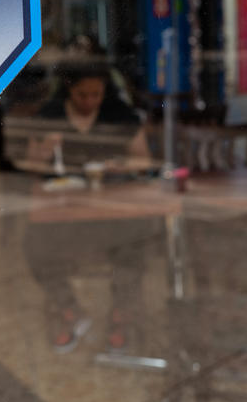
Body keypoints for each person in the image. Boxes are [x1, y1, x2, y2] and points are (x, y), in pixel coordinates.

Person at [24, 59, 158, 353]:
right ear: (69, 90)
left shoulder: (117, 113)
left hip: (113, 208)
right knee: (35, 245)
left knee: (135, 239)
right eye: (83, 95)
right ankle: (69, 309)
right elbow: (33, 165)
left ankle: (121, 313)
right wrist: (45, 150)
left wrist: (118, 165)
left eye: (96, 94)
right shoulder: (52, 115)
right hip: (66, 212)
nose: (90, 101)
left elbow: (143, 159)